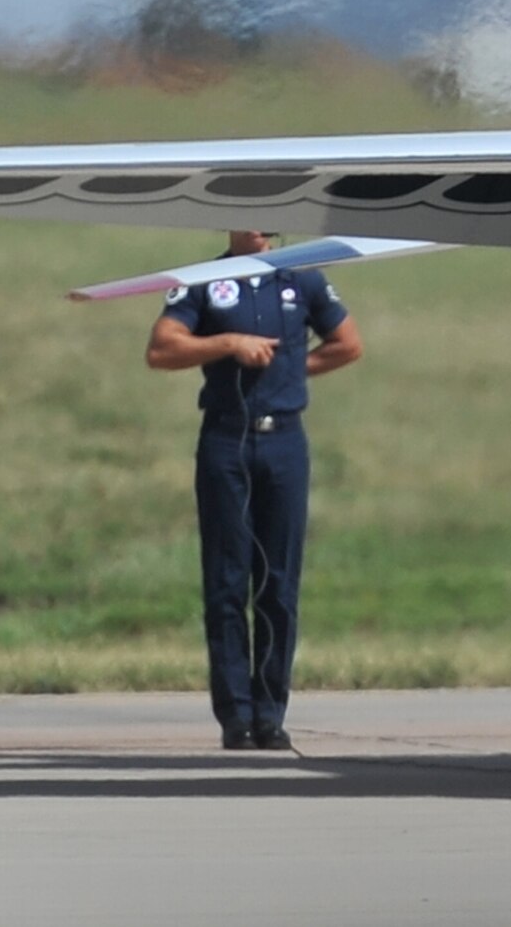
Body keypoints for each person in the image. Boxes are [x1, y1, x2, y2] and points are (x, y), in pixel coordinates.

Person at [145, 230, 363, 750]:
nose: (260, 227)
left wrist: (292, 370)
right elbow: (162, 349)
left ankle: (270, 712)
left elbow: (347, 343)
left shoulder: (302, 277)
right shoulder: (203, 281)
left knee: (278, 583)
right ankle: (235, 715)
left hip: (285, 440)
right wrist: (226, 345)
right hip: (227, 438)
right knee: (226, 581)